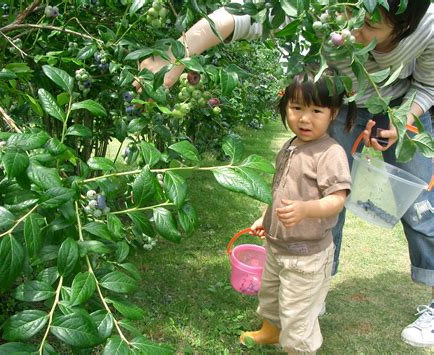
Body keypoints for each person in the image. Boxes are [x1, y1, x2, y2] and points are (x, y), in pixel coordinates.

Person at [137, 0, 434, 347]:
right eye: (350, 15)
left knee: (422, 208)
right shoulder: (323, 9)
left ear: (402, 28)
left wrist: (402, 120)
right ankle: (311, 293)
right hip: (337, 103)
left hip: (399, 105)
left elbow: (427, 87)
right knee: (317, 195)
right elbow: (239, 15)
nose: (352, 32)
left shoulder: (427, 25)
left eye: (369, 24)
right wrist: (175, 57)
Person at [237, 65, 354, 354]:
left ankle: (298, 349)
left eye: (316, 111)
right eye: (297, 107)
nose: (304, 118)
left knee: (298, 317)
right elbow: (280, 191)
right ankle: (270, 331)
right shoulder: (290, 146)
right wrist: (266, 217)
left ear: (333, 114)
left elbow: (337, 199)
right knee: (272, 298)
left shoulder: (330, 153)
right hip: (277, 247)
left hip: (307, 256)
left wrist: (306, 209)